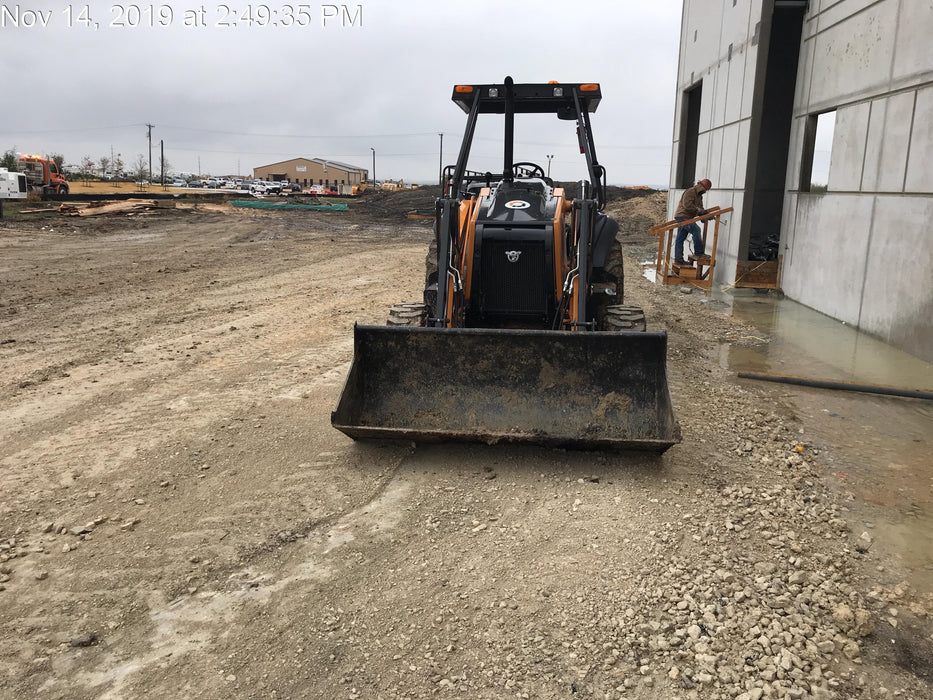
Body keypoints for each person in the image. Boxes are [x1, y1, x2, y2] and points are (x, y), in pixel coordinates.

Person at [673, 178, 712, 265]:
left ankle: (678, 260)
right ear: (700, 186)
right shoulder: (690, 192)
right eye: (704, 189)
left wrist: (705, 216)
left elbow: (700, 208)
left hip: (687, 217)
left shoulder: (699, 196)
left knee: (680, 238)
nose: (704, 192)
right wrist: (699, 211)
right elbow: (687, 205)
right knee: (696, 230)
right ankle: (699, 253)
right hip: (683, 216)